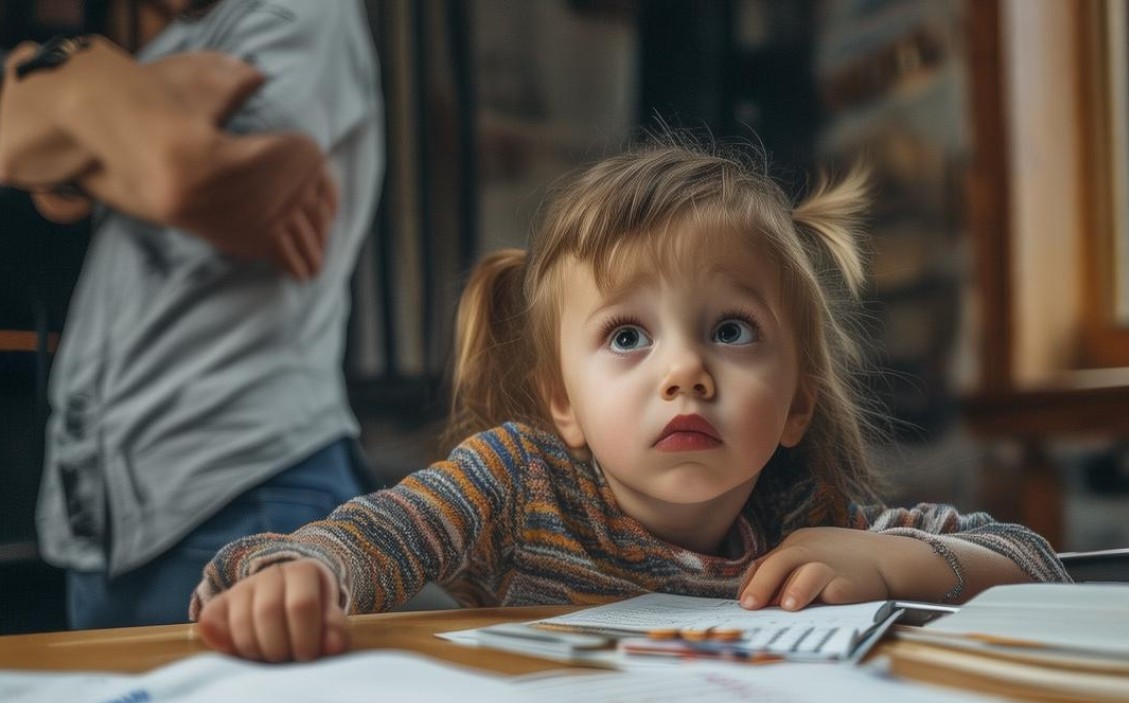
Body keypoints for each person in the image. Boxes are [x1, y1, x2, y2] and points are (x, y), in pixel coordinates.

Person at [191, 137, 1070, 663]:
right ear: (561, 401)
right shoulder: (515, 479)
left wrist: (892, 564)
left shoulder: (809, 510)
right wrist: (295, 577)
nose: (684, 371)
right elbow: (365, 540)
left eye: (730, 330)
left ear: (799, 401)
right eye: (626, 338)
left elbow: (1035, 564)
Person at [0, 0, 384, 628]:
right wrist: (106, 86)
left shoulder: (302, 10)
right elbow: (15, 144)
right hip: (110, 520)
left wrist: (86, 133)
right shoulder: (173, 48)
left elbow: (205, 184)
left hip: (238, 490)